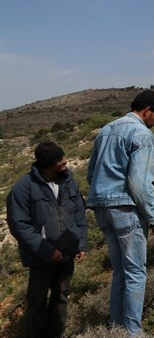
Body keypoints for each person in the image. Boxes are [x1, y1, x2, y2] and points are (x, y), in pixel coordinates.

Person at [86, 90, 154, 336]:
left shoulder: (105, 130)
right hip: (126, 210)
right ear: (147, 110)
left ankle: (116, 328)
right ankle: (133, 333)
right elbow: (140, 184)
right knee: (135, 272)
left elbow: (91, 175)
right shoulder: (141, 134)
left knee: (120, 272)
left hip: (102, 209)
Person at [7, 141, 88, 338]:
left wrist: (81, 243)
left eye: (63, 156)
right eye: (59, 159)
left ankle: (56, 333)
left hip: (67, 253)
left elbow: (79, 213)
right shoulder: (23, 188)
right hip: (41, 258)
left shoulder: (69, 181)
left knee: (61, 297)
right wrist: (47, 250)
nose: (65, 161)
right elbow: (20, 225)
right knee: (38, 302)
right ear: (47, 163)